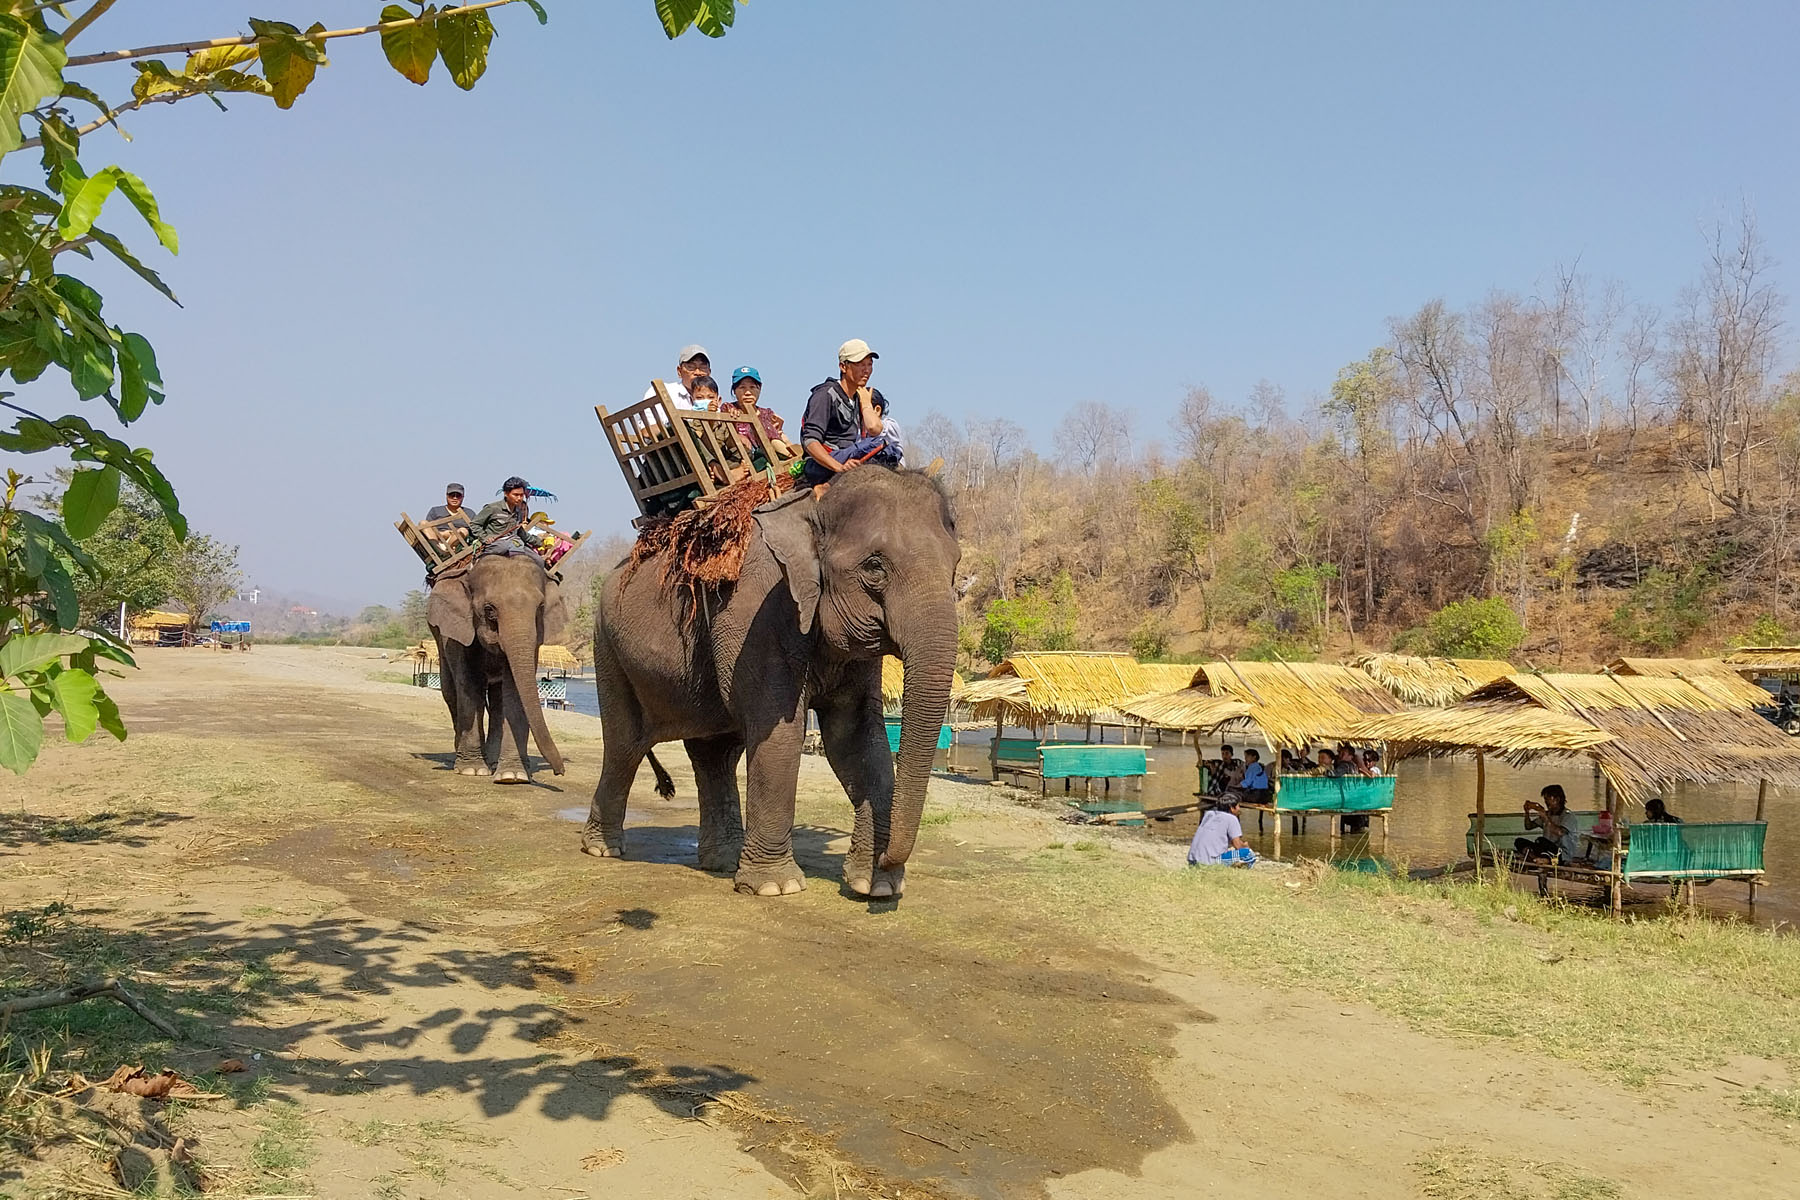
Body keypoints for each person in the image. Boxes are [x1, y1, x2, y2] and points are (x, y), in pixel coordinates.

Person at [799, 338, 903, 485]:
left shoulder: (857, 397)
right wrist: (839, 468)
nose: (866, 370)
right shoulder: (826, 394)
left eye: (869, 364)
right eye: (860, 364)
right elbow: (810, 442)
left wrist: (866, 403)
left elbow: (875, 429)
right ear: (843, 366)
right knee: (877, 444)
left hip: (847, 455)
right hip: (822, 464)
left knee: (891, 450)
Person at [727, 366, 795, 463]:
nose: (747, 392)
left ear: (759, 388)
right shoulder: (729, 408)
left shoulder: (767, 413)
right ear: (734, 390)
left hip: (773, 455)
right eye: (742, 387)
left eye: (752, 387)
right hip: (747, 459)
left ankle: (793, 456)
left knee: (777, 439)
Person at [1515, 784, 1581, 862]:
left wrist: (1545, 818)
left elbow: (1560, 832)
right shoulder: (1548, 814)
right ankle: (1535, 857)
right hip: (1546, 849)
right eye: (1545, 799)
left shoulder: (1568, 816)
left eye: (1547, 799)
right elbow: (1528, 826)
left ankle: (1543, 858)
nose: (1546, 802)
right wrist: (1527, 812)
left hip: (1561, 853)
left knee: (1540, 841)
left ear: (1557, 799)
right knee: (1519, 841)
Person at [1188, 793, 1256, 867]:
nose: (1239, 809)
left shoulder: (1209, 814)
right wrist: (1245, 846)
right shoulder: (1231, 819)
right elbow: (1237, 845)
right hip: (1209, 861)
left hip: (1192, 860)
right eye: (1238, 806)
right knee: (1249, 854)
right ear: (1232, 808)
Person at [471, 476, 534, 551]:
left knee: (535, 557)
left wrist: (538, 541)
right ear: (506, 494)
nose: (519, 498)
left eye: (521, 495)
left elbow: (520, 532)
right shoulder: (492, 508)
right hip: (496, 544)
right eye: (516, 495)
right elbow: (474, 524)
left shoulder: (519, 512)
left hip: (515, 543)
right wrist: (485, 538)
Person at [644, 344, 713, 410]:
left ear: (709, 373)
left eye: (703, 367)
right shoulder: (663, 392)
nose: (697, 373)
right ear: (679, 371)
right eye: (691, 367)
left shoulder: (714, 399)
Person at [423, 482, 472, 554]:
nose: (455, 498)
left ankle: (447, 551)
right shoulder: (435, 511)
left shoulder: (470, 513)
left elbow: (474, 531)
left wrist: (451, 534)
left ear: (463, 497)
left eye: (458, 496)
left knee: (463, 530)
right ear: (446, 496)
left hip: (456, 544)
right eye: (452, 495)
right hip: (437, 542)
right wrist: (442, 534)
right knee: (423, 523)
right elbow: (428, 531)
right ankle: (440, 551)